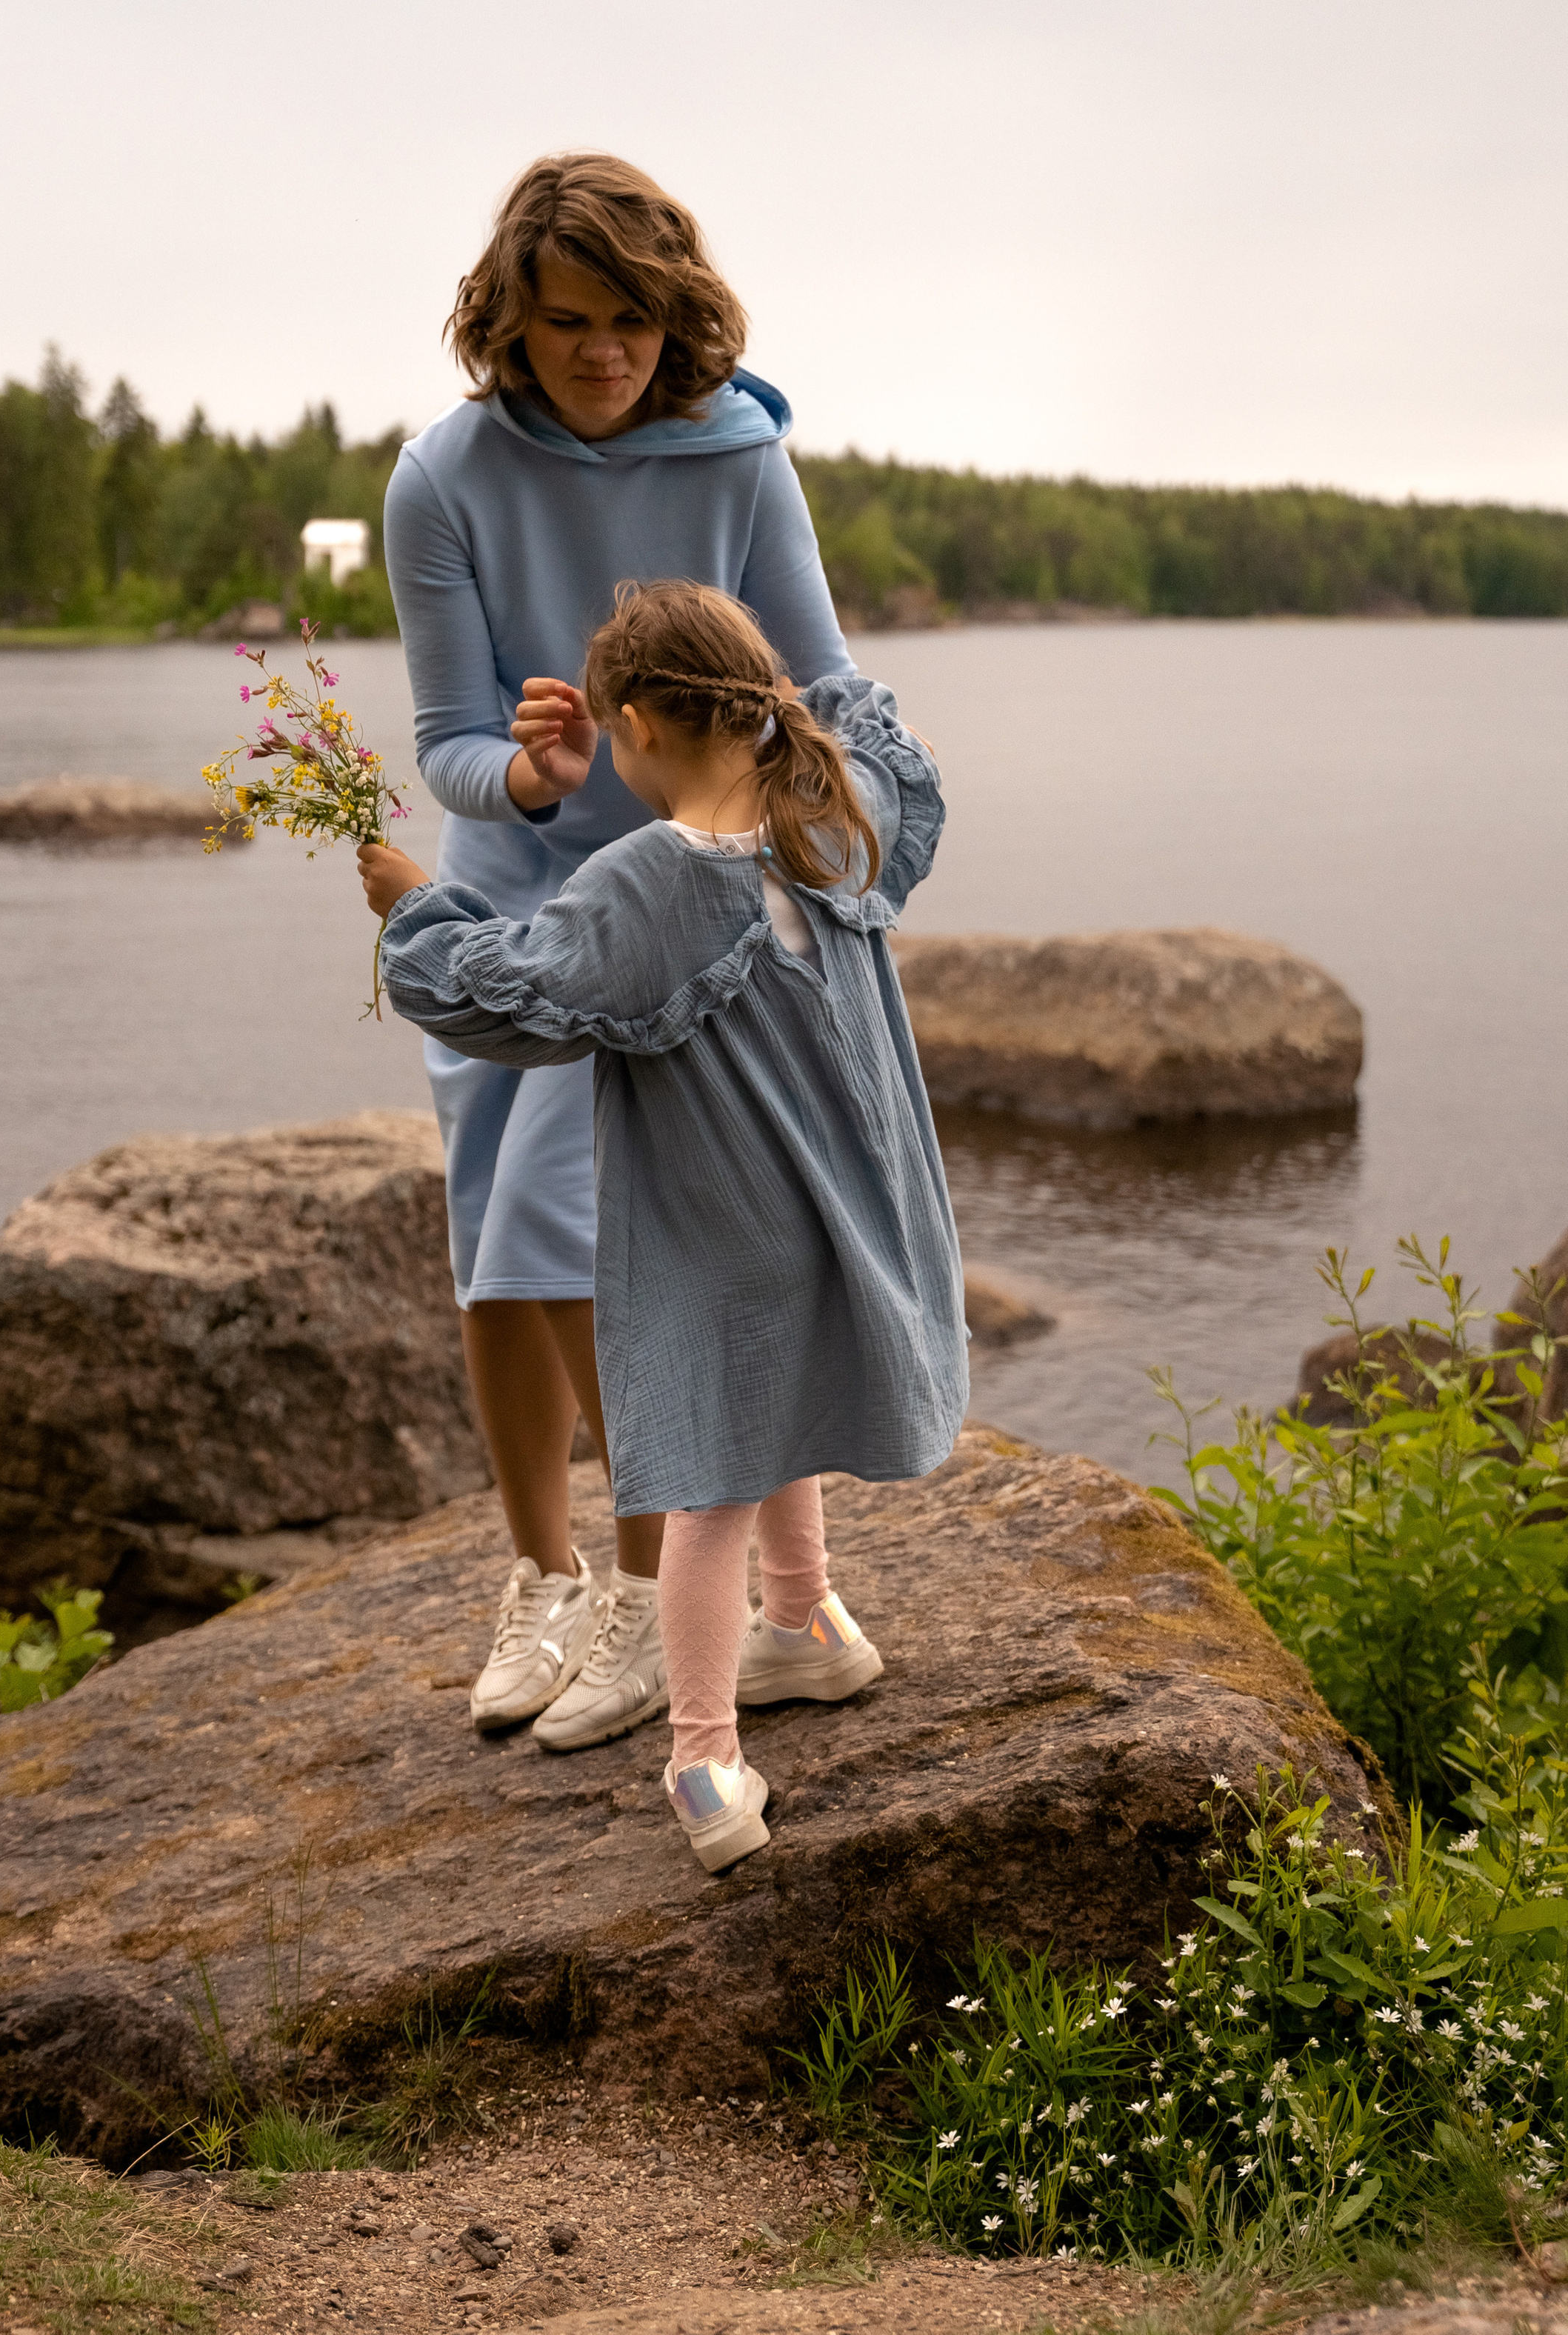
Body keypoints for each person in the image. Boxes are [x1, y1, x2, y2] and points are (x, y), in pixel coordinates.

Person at [358, 579, 967, 1872]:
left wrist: (417, 909)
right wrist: (821, 695)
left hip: (727, 1225)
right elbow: (897, 753)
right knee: (779, 1404)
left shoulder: (649, 882)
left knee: (701, 1479)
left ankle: (702, 1758)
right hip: (847, 1206)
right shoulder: (833, 809)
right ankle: (805, 1624)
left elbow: (513, 1000)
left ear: (633, 724)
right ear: (763, 702)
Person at [382, 155, 853, 1751]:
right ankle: (544, 1578)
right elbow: (447, 737)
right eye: (568, 323)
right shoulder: (440, 479)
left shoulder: (741, 463)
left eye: (632, 323)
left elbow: (823, 695)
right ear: (506, 323)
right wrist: (520, 778)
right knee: (495, 1267)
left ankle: (662, 1602)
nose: (603, 354)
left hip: (678, 900)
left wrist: (794, 864)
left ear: (674, 314)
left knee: (585, 1241)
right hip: (510, 895)